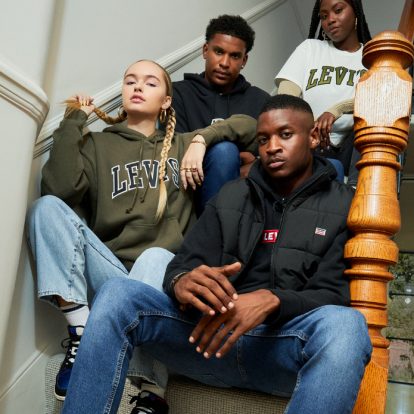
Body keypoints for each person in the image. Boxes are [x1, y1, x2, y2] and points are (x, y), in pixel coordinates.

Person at [61, 95, 372, 414]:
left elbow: (334, 293)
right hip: (208, 341)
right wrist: (181, 282)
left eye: (285, 135)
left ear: (314, 137)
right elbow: (183, 263)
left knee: (347, 326)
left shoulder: (345, 204)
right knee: (117, 294)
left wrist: (274, 300)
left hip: (282, 350)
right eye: (263, 139)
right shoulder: (232, 195)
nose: (272, 147)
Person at [27, 59, 257, 409]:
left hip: (164, 279)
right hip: (111, 275)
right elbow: (58, 189)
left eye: (150, 83)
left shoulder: (181, 145)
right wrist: (73, 121)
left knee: (155, 256)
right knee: (45, 208)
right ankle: (82, 332)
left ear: (166, 100)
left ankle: (148, 387)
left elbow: (250, 127)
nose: (137, 87)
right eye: (130, 81)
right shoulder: (97, 145)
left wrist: (200, 139)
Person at [173, 14, 270, 213]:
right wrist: (230, 157)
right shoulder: (178, 93)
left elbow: (271, 152)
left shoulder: (261, 100)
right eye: (219, 52)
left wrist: (256, 164)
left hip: (248, 198)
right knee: (225, 152)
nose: (225, 63)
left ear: (244, 60)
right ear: (205, 50)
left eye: (235, 56)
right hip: (192, 195)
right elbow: (176, 150)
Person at [274, 0, 371, 186]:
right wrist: (308, 125)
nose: (330, 20)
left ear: (356, 12)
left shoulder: (371, 56)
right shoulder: (310, 48)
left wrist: (336, 110)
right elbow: (285, 97)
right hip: (311, 142)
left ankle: (355, 190)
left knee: (371, 122)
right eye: (324, 16)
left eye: (338, 10)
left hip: (353, 145)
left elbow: (375, 100)